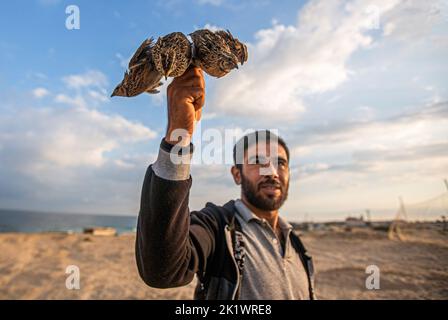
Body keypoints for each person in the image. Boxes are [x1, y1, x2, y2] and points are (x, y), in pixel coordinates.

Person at [135, 66, 316, 300]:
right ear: (237, 174)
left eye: (280, 163)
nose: (271, 171)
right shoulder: (218, 227)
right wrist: (178, 136)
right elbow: (162, 270)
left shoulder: (297, 243)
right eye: (258, 161)